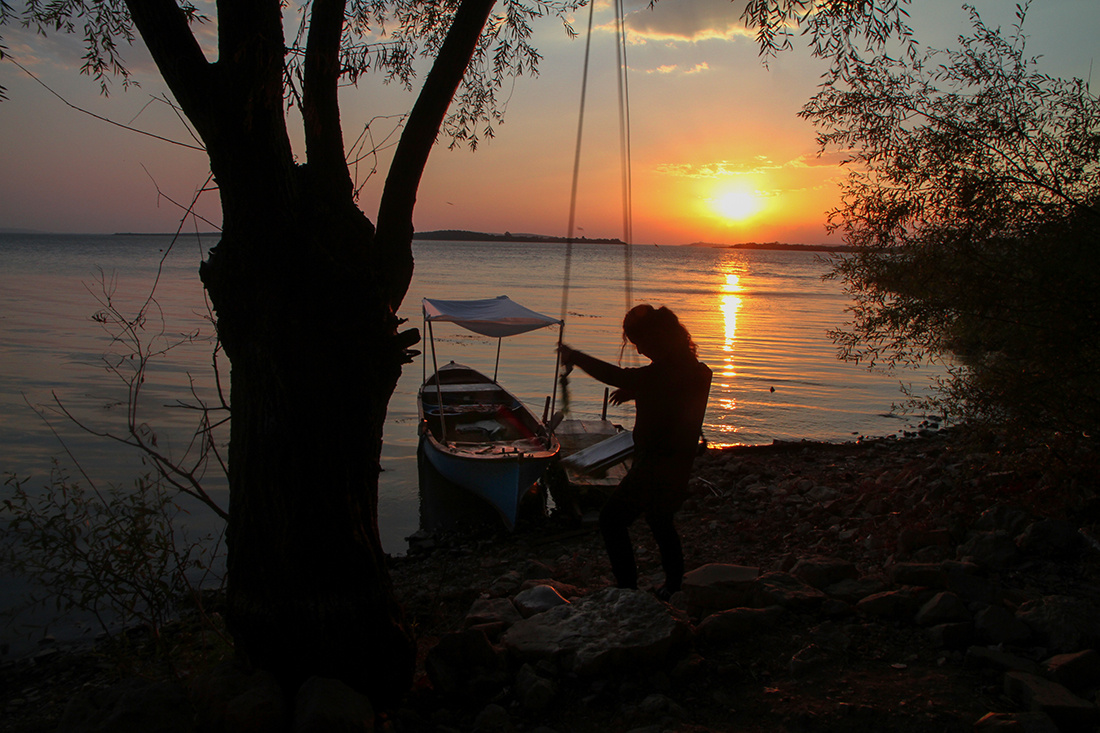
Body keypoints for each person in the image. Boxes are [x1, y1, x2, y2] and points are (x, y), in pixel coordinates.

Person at [558, 304, 712, 599]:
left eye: (641, 343)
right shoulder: (692, 370)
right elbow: (667, 392)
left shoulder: (664, 374)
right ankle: (674, 585)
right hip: (678, 464)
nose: (640, 351)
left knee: (611, 520)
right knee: (659, 519)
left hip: (655, 465)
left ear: (658, 337)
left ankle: (627, 588)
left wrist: (576, 357)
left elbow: (618, 375)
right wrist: (638, 391)